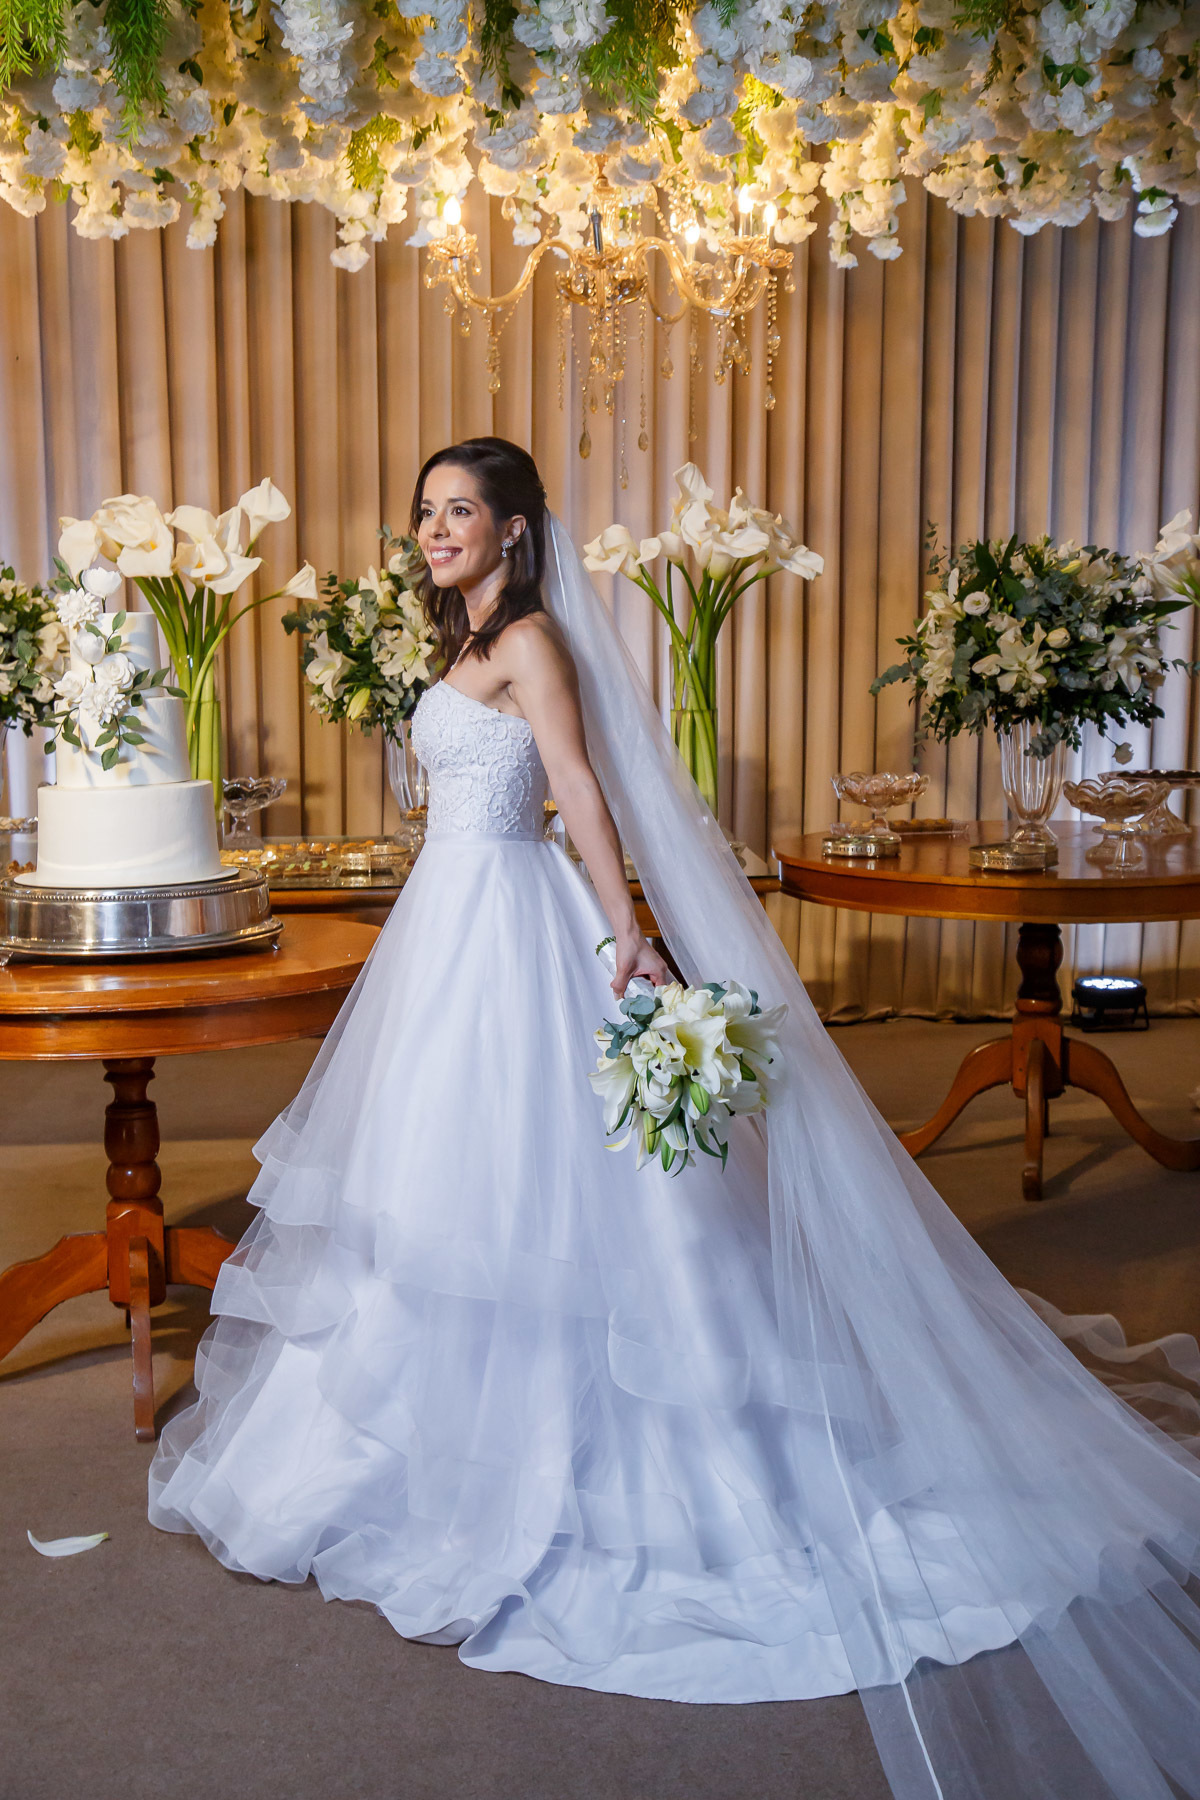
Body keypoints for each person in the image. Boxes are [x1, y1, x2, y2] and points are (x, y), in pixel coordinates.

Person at [150, 437, 1200, 1800]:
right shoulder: (466, 644)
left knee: (542, 1187)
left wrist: (628, 934)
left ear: (517, 530)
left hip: (513, 924)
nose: (435, 531)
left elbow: (580, 788)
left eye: (461, 512)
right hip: (446, 929)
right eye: (426, 513)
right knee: (437, 1188)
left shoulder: (533, 643)